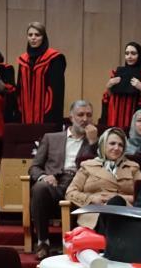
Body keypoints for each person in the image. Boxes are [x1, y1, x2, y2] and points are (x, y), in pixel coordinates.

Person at [29, 99, 99, 257]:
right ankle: (42, 242)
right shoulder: (51, 138)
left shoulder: (96, 141)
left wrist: (93, 143)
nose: (85, 119)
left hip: (80, 186)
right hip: (54, 184)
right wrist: (44, 176)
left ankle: (76, 244)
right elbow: (34, 167)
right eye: (80, 115)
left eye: (89, 115)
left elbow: (100, 166)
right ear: (71, 117)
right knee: (39, 188)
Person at [65, 127, 141, 229]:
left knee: (116, 202)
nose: (116, 148)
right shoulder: (88, 166)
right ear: (103, 145)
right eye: (112, 143)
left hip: (125, 212)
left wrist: (120, 198)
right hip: (95, 214)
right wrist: (92, 199)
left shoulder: (133, 167)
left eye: (120, 145)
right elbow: (70, 193)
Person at [15, 21, 66, 125]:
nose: (33, 38)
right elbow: (19, 88)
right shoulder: (23, 60)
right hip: (25, 114)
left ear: (43, 37)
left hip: (47, 114)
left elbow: (56, 91)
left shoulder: (54, 59)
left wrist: (49, 114)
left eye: (37, 35)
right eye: (30, 35)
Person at [101, 41, 141, 128]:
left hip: (135, 122)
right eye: (127, 53)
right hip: (114, 121)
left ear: (140, 55)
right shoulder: (116, 73)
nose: (129, 56)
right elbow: (109, 100)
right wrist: (108, 87)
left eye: (133, 53)